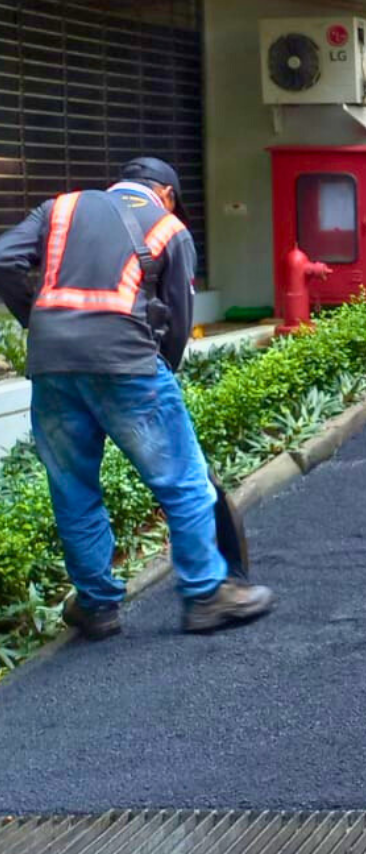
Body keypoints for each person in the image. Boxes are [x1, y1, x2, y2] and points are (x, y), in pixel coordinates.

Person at [0, 158, 275, 638]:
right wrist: (160, 367)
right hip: (128, 364)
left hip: (53, 366)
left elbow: (5, 258)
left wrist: (37, 320)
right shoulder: (170, 227)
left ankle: (97, 606)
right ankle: (207, 595)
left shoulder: (60, 207)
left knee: (73, 488)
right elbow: (178, 321)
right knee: (184, 482)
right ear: (166, 194)